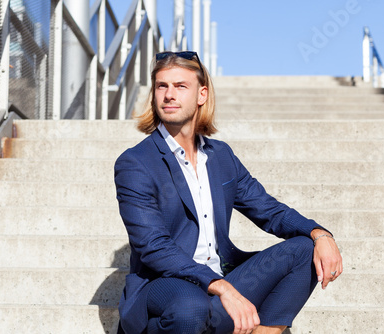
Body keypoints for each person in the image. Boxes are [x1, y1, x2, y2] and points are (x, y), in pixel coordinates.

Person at [114, 51, 342, 334]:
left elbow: (268, 210)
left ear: (202, 94)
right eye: (162, 86)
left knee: (304, 249)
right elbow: (154, 247)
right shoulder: (136, 163)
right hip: (166, 284)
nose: (169, 95)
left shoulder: (220, 156)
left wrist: (321, 234)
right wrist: (222, 288)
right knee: (192, 307)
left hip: (222, 279)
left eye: (180, 86)